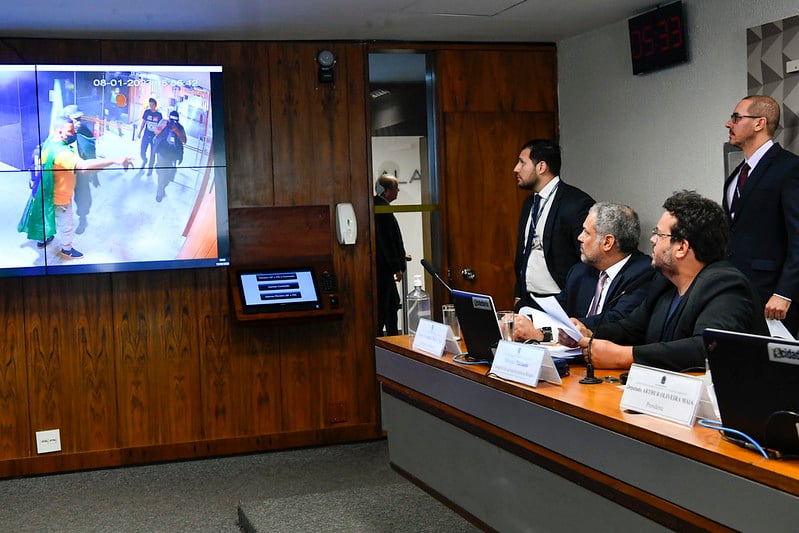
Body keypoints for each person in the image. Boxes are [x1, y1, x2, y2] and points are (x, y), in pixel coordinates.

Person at [572, 190, 769, 372]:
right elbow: (630, 329)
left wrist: (626, 356)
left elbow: (706, 348)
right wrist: (588, 333)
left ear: (681, 247)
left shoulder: (726, 286)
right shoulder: (664, 283)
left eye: (659, 234)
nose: (652, 240)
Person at [514, 202, 654, 342]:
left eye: (586, 232)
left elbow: (615, 321)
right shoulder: (580, 271)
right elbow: (558, 306)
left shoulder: (644, 274)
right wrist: (523, 318)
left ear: (607, 242)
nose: (579, 237)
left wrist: (544, 333)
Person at [723, 95, 799, 334]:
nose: (728, 124)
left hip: (772, 297)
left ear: (759, 123)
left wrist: (784, 292)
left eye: (736, 117)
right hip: (734, 292)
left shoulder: (790, 168)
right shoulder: (735, 175)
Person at [19, 115, 133, 259]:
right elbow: (83, 167)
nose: (73, 134)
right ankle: (67, 249)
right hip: (61, 197)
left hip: (45, 194)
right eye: (70, 131)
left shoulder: (49, 142)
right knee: (66, 225)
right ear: (59, 132)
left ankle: (43, 240)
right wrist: (114, 160)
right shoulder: (62, 153)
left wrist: (70, 121)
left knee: (47, 218)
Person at [513, 139, 594, 310]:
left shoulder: (577, 203)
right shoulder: (529, 203)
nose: (516, 169)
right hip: (527, 300)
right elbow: (523, 252)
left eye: (522, 162)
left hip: (560, 301)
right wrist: (519, 294)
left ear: (541, 167)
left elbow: (587, 258)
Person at [374, 174, 408, 336]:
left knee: (392, 303)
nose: (398, 190)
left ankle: (391, 339)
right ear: (387, 191)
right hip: (384, 270)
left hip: (383, 268)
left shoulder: (378, 206)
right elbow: (387, 241)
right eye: (396, 188)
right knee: (386, 307)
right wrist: (397, 267)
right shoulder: (382, 209)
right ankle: (388, 341)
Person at [63, 105, 99, 235]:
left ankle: (82, 218)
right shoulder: (64, 130)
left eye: (78, 118)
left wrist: (94, 174)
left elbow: (90, 151)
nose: (77, 121)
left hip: (80, 169)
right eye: (75, 118)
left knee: (82, 196)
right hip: (65, 170)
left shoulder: (82, 130)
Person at [153, 110, 187, 202]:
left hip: (173, 155)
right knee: (162, 174)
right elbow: (156, 132)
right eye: (171, 120)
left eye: (175, 120)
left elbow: (184, 140)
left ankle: (163, 185)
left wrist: (177, 132)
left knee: (169, 176)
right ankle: (159, 194)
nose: (173, 122)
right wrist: (163, 126)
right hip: (162, 152)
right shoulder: (164, 123)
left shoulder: (180, 128)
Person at [138, 98, 162, 176]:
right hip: (146, 134)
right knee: (142, 151)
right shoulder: (147, 112)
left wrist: (159, 137)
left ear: (155, 105)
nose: (151, 106)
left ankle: (150, 170)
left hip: (154, 137)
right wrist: (140, 132)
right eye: (150, 105)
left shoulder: (159, 115)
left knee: (152, 154)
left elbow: (160, 127)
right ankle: (144, 160)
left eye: (152, 105)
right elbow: (143, 123)